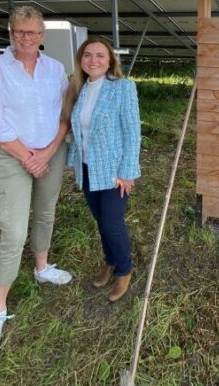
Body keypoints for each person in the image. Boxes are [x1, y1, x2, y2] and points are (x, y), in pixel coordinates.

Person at [0, 6, 72, 356]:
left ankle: (42, 268)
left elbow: (65, 113)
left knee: (46, 212)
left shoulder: (56, 69)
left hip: (50, 152)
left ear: (42, 36)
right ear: (10, 33)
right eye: (19, 32)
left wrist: (46, 153)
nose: (26, 38)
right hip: (10, 155)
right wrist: (29, 157)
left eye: (32, 33)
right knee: (13, 231)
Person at [63, 37, 141, 303]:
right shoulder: (80, 88)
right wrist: (73, 163)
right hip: (87, 168)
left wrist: (127, 170)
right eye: (87, 55)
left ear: (110, 61)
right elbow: (78, 132)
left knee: (111, 221)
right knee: (100, 220)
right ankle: (109, 261)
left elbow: (133, 132)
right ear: (81, 60)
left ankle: (124, 269)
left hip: (112, 171)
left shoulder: (122, 88)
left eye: (99, 55)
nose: (93, 60)